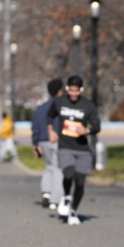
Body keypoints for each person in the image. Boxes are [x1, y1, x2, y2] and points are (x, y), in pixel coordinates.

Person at [47, 75, 100, 225]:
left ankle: (73, 211)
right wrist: (50, 131)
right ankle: (66, 196)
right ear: (67, 89)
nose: (74, 94)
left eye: (76, 91)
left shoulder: (88, 105)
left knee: (80, 182)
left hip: (82, 148)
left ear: (81, 90)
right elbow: (49, 116)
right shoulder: (59, 102)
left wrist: (87, 130)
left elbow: (97, 126)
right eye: (71, 90)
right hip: (65, 146)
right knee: (68, 173)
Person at [32, 78, 63, 208]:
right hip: (58, 140)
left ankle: (46, 192)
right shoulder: (62, 107)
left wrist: (35, 144)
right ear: (60, 91)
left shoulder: (40, 108)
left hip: (44, 140)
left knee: (48, 167)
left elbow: (35, 127)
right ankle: (56, 199)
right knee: (58, 169)